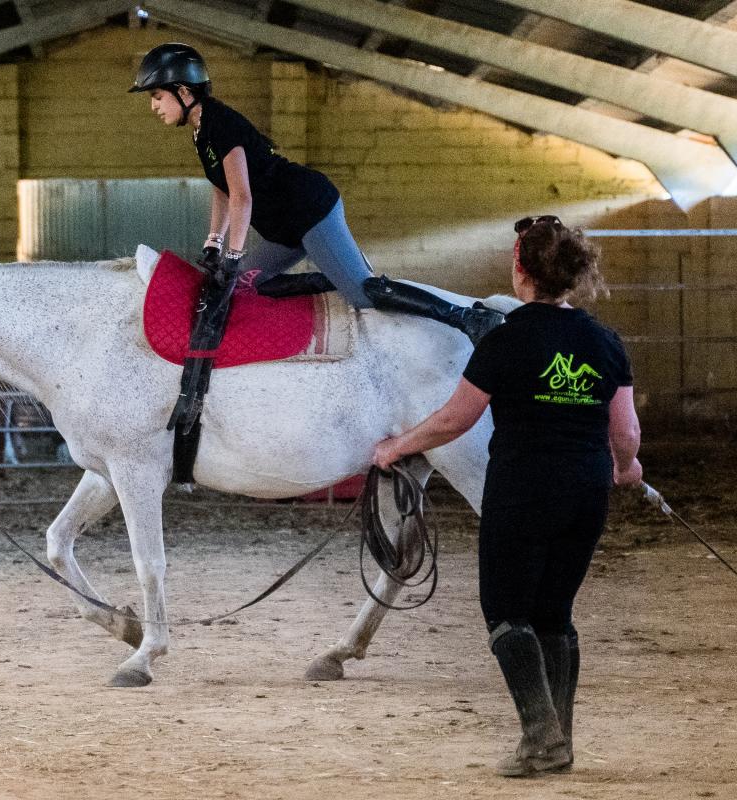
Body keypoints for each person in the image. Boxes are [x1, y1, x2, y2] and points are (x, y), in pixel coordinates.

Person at [130, 43, 503, 483]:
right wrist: (214, 243)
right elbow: (224, 190)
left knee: (363, 293)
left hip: (310, 209)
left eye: (157, 96)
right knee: (248, 286)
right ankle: (334, 277)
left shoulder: (219, 123)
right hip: (285, 228)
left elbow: (245, 198)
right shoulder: (200, 129)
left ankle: (467, 317)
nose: (154, 106)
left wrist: (232, 253)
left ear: (182, 90)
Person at [371, 215, 642, 778]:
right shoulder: (605, 341)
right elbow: (627, 434)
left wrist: (398, 447)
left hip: (522, 490)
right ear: (570, 273)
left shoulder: (506, 338)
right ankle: (559, 737)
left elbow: (455, 419)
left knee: (506, 613)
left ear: (520, 269)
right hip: (586, 492)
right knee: (555, 614)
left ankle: (541, 737)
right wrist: (625, 467)